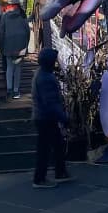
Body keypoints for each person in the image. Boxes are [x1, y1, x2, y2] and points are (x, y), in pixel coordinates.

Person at [31, 46, 71, 187]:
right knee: (45, 149)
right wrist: (64, 118)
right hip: (46, 118)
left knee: (56, 145)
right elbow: (51, 102)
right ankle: (40, 178)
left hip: (43, 116)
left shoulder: (41, 74)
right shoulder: (46, 78)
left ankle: (60, 172)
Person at [0, 1, 31, 98]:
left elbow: (2, 32)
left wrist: (1, 45)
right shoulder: (23, 15)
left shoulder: (5, 16)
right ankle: (16, 91)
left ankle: (9, 89)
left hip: (8, 43)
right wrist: (26, 44)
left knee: (9, 67)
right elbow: (27, 31)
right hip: (20, 44)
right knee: (17, 68)